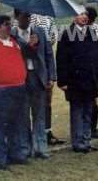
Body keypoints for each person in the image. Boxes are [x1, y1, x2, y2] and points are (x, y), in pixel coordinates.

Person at [0, 15, 37, 170]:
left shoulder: (15, 40)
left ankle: (17, 155)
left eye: (10, 24)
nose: (9, 27)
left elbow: (30, 54)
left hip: (19, 88)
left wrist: (32, 44)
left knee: (19, 123)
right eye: (5, 24)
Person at [12, 10, 56, 160]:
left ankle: (41, 148)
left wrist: (51, 76)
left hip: (38, 78)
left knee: (39, 115)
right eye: (24, 16)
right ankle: (25, 149)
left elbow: (48, 54)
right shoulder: (12, 34)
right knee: (23, 115)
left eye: (29, 16)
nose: (27, 19)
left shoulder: (40, 32)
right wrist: (29, 45)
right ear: (17, 17)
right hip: (20, 78)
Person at [56, 11, 98, 153]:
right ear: (74, 16)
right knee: (77, 111)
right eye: (81, 14)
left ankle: (86, 140)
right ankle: (78, 142)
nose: (84, 17)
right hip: (74, 80)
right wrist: (62, 81)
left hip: (90, 80)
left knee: (88, 110)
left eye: (85, 14)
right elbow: (61, 59)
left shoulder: (92, 33)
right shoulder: (66, 34)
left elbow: (96, 57)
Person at [30, 13, 65, 146]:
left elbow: (52, 39)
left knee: (47, 101)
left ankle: (47, 132)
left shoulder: (49, 19)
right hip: (30, 66)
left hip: (44, 63)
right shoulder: (26, 17)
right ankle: (33, 134)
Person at [85, 6, 98, 140]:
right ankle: (92, 128)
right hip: (95, 66)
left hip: (93, 66)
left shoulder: (95, 29)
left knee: (91, 98)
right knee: (94, 98)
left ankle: (90, 128)